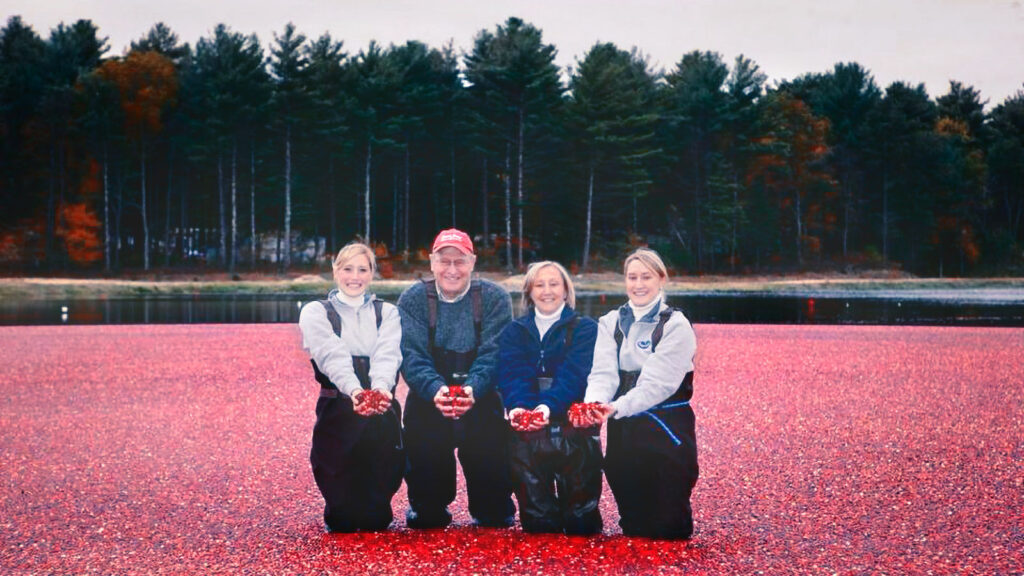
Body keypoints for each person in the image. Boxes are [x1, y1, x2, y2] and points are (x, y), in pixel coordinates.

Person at [571, 247, 699, 539]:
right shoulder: (610, 322)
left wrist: (616, 408)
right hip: (624, 429)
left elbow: (658, 385)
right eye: (632, 277)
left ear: (661, 279)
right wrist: (593, 405)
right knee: (634, 524)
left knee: (670, 527)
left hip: (667, 427)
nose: (638, 284)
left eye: (646, 277)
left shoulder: (675, 325)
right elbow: (603, 373)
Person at [397, 228, 516, 529]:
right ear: (432, 262)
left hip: (481, 392)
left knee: (495, 514)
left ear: (473, 262)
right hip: (429, 395)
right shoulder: (412, 298)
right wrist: (435, 390)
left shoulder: (495, 298)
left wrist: (471, 390)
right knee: (427, 515)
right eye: (444, 261)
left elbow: (494, 353)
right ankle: (427, 503)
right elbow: (411, 356)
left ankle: (491, 502)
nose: (452, 269)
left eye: (460, 261)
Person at [299, 242, 404, 532]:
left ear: (372, 273)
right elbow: (331, 355)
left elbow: (388, 354)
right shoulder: (316, 312)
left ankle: (377, 508)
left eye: (362, 269)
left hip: (381, 403)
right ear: (335, 271)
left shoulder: (388, 313)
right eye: (347, 268)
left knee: (378, 506)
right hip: (338, 403)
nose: (354, 276)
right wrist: (355, 392)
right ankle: (339, 510)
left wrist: (381, 389)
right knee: (340, 499)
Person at [496, 261, 603, 535]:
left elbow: (575, 376)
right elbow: (513, 374)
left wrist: (546, 408)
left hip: (572, 429)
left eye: (554, 284)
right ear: (529, 292)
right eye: (539, 285)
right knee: (538, 525)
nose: (547, 291)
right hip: (528, 431)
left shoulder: (585, 329)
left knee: (581, 525)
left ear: (566, 291)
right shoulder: (513, 332)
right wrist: (520, 408)